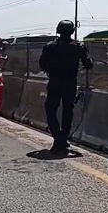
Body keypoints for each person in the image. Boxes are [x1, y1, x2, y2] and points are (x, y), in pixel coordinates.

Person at [39, 20, 93, 155]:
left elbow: (42, 64)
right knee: (68, 111)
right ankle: (63, 139)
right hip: (70, 82)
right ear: (72, 31)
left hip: (54, 81)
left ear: (58, 30)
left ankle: (58, 138)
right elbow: (88, 64)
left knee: (51, 109)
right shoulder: (78, 46)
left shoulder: (50, 46)